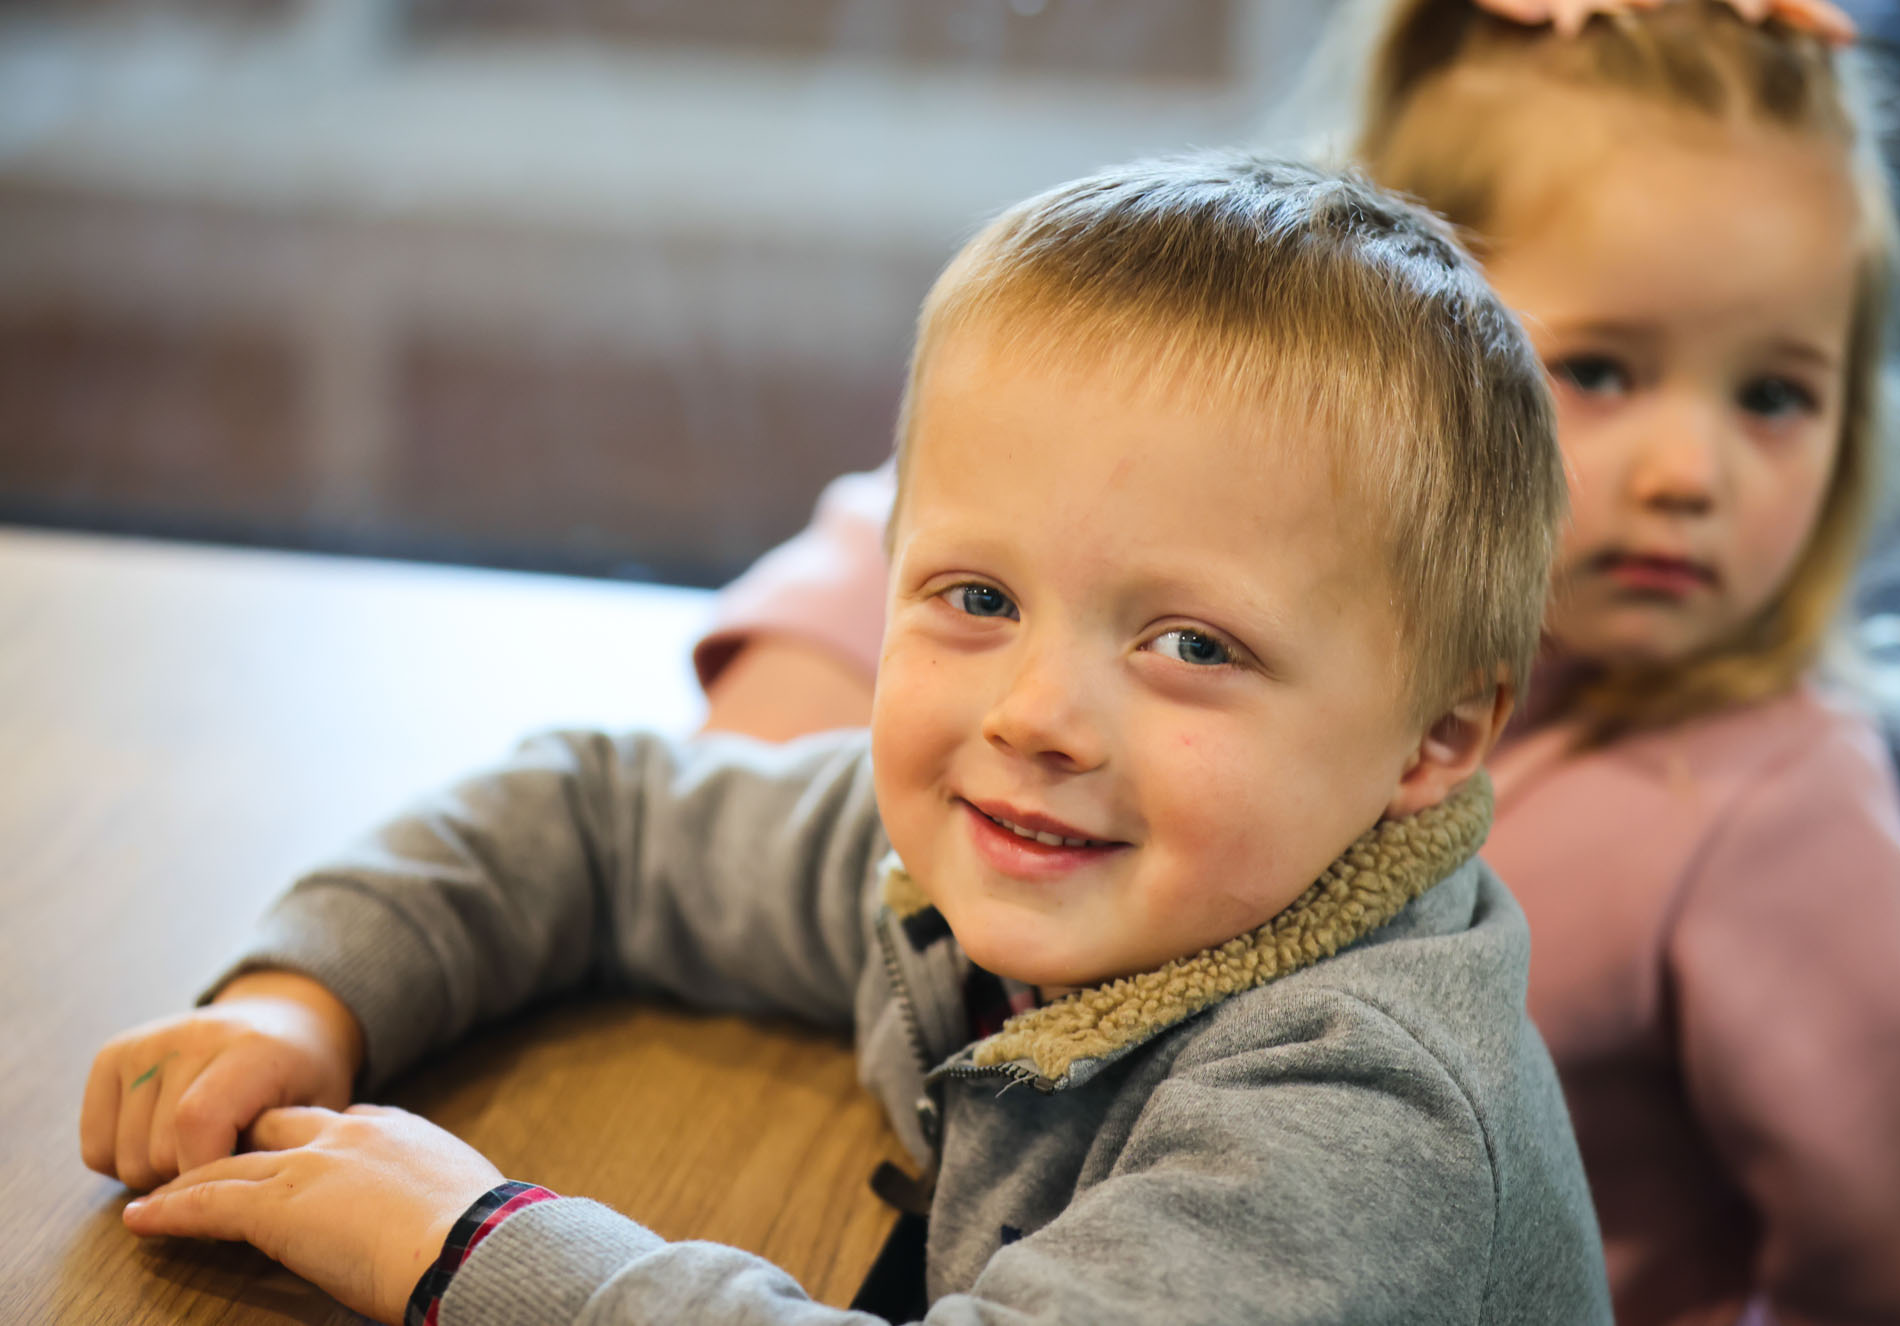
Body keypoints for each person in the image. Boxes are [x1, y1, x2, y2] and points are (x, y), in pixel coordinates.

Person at [688, 0, 1900, 1323]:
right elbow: (921, 553)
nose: (1693, 470)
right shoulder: (1213, 599)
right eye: (1606, 371)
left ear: (1452, 736)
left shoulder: (1782, 819)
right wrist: (810, 780)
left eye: (1776, 394)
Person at [78, 155, 1612, 1326]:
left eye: (1192, 645)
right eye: (978, 595)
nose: (1033, 715)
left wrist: (473, 1244)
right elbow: (601, 815)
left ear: (1437, 737)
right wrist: (303, 1000)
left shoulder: (1367, 1114)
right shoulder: (995, 855)